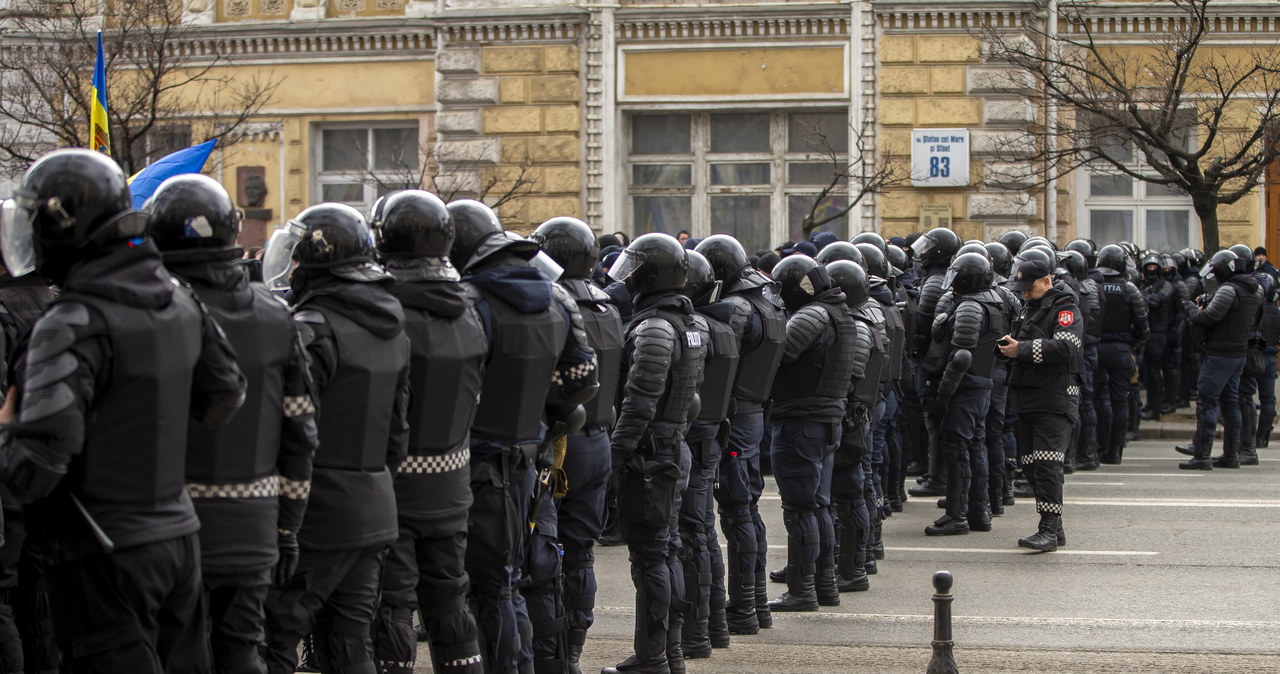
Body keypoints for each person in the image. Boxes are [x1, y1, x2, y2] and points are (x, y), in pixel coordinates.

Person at [0, 148, 246, 671]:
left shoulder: (69, 321)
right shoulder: (178, 298)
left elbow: (34, 468)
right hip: (178, 534)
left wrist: (6, 434)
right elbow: (225, 393)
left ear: (60, 225)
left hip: (100, 548)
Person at [148, 174, 319, 674]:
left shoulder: (150, 312)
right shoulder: (275, 314)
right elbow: (300, 431)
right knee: (242, 652)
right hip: (252, 526)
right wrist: (287, 526)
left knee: (176, 656)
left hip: (165, 532)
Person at [259, 202, 411, 674]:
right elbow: (398, 434)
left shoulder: (310, 330)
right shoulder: (390, 328)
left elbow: (291, 435)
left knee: (276, 632)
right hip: (374, 505)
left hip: (319, 511)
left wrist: (283, 519)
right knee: (349, 639)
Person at [448, 200, 597, 674]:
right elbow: (582, 380)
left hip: (477, 463)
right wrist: (540, 419)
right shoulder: (557, 296)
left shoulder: (470, 300)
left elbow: (454, 388)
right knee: (512, 581)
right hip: (530, 459)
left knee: (488, 586)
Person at [368, 191, 487, 674]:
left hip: (394, 490)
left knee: (394, 605)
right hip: (452, 486)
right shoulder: (469, 311)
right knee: (449, 602)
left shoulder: (383, 313)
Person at [604, 233, 707, 674]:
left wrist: (615, 454)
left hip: (650, 455)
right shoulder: (688, 323)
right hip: (671, 447)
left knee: (651, 556)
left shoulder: (654, 327)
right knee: (666, 551)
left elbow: (641, 400)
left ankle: (652, 658)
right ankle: (670, 654)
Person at [526, 216, 623, 673]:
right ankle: (573, 654)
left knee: (542, 557)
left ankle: (551, 658)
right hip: (598, 440)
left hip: (558, 446)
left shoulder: (552, 305)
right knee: (580, 553)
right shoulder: (609, 304)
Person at [694, 235, 786, 636]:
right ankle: (756, 602)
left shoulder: (739, 307)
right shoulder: (769, 300)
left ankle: (745, 607)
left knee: (736, 510)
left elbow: (718, 353)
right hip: (752, 414)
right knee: (745, 508)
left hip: (734, 417)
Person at [766, 255, 855, 611]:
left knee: (801, 509)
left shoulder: (812, 315)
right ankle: (825, 585)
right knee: (818, 506)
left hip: (802, 421)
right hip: (824, 419)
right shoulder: (838, 312)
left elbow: (779, 352)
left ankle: (802, 590)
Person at [677, 250, 738, 657]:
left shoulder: (698, 326)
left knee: (693, 535)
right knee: (704, 533)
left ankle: (698, 633)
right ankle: (714, 626)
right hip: (712, 436)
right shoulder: (724, 326)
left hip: (695, 438)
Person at [999, 256, 1083, 552]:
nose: (1024, 293)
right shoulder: (1029, 309)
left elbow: (1065, 347)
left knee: (1048, 464)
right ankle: (1055, 528)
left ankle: (1048, 529)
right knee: (1031, 465)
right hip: (1028, 396)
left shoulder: (1065, 309)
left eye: (1029, 287)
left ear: (1046, 281)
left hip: (1055, 395)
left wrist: (1020, 349)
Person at [0, 230, 55, 674]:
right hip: (55, 471)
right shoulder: (58, 303)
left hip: (14, 473)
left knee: (13, 598)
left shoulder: (5, 310)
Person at [922, 253, 1005, 536]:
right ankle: (977, 511)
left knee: (957, 449)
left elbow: (961, 357)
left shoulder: (971, 306)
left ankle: (957, 515)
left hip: (966, 387)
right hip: (980, 384)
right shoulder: (994, 301)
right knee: (975, 447)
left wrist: (943, 396)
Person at [1174, 250, 1262, 470]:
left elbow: (1209, 317)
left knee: (1207, 402)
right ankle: (1231, 455)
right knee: (1231, 403)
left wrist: (1191, 309)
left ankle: (1202, 456)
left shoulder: (1229, 289)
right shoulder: (1254, 289)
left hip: (1220, 354)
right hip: (1238, 353)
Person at [1094, 245, 1149, 464]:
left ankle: (1099, 446)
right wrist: (1130, 344)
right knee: (1120, 401)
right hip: (1121, 350)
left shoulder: (1093, 285)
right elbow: (1143, 327)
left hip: (1096, 348)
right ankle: (1115, 451)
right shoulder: (1129, 289)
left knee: (1099, 399)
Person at [1138, 253, 1174, 421]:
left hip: (1159, 333)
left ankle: (1156, 407)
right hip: (1145, 331)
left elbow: (1156, 301)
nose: (1151, 270)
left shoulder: (1166, 285)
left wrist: (1145, 299)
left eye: (1154, 267)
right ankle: (1150, 405)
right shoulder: (1143, 284)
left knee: (1154, 372)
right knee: (1145, 371)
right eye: (1149, 267)